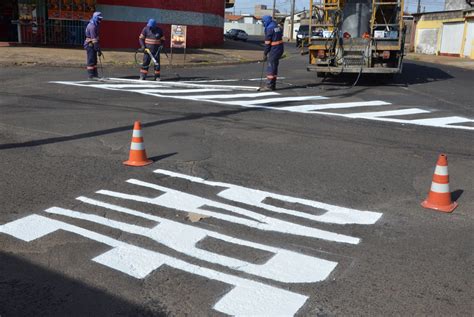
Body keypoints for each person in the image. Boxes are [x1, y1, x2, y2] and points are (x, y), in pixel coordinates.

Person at [260, 15, 284, 91]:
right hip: (279, 48)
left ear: (266, 21)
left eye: (263, 22)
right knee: (274, 67)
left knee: (271, 67)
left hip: (274, 49)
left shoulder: (269, 28)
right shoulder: (276, 26)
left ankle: (269, 86)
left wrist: (265, 53)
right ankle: (273, 85)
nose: (263, 24)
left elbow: (267, 43)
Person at [83, 12, 103, 79]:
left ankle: (95, 75)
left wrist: (97, 48)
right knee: (91, 60)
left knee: (94, 60)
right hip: (90, 45)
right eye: (98, 19)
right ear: (95, 18)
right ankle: (91, 75)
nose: (100, 20)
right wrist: (98, 49)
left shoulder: (95, 24)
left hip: (92, 44)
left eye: (100, 19)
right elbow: (94, 39)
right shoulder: (92, 26)